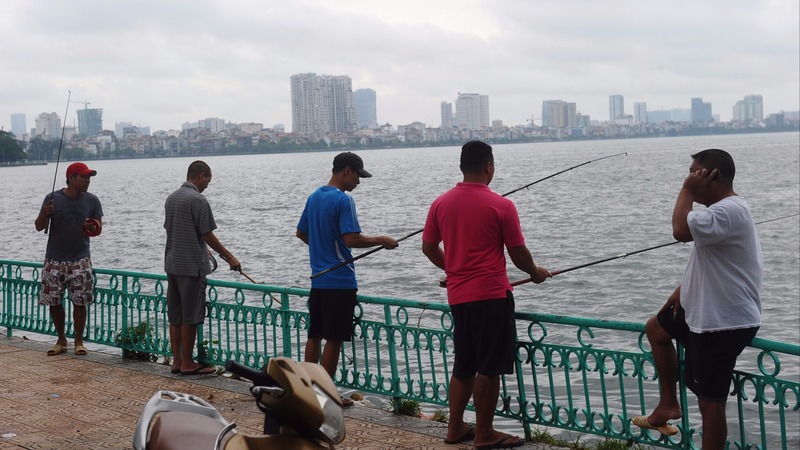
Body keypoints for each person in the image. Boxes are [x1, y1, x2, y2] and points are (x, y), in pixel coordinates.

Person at [421, 140, 551, 449]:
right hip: (491, 297)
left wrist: (454, 269)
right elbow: (518, 253)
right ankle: (484, 433)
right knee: (490, 367)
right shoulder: (501, 205)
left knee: (464, 365)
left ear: (462, 167)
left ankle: (455, 428)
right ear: (489, 167)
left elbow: (428, 247)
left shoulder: (441, 203)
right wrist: (535, 272)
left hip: (459, 297)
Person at [632, 149, 762, 450]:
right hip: (702, 311)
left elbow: (680, 230)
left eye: (694, 172)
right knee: (657, 328)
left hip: (723, 322)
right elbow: (716, 261)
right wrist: (683, 290)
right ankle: (668, 404)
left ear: (712, 175)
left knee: (710, 403)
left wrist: (687, 190)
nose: (688, 177)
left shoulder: (727, 210)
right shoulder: (721, 212)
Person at [296, 152, 398, 396]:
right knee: (334, 338)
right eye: (358, 176)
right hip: (340, 280)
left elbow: (301, 233)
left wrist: (321, 248)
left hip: (318, 278)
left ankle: (307, 391)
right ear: (347, 171)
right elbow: (351, 239)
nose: (358, 182)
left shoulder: (314, 196)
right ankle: (325, 394)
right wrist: (382, 240)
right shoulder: (343, 200)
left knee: (315, 335)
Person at [164, 160, 241, 375]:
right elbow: (207, 234)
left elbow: (177, 230)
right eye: (208, 180)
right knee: (191, 317)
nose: (208, 185)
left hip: (172, 264)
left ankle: (177, 361)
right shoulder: (198, 200)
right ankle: (188, 363)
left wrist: (202, 247)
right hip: (191, 267)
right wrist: (230, 257)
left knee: (175, 317)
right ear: (201, 176)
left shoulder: (172, 198)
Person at [35, 162, 103, 357]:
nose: (87, 180)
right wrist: (45, 213)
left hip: (81, 259)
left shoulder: (92, 201)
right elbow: (39, 226)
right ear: (71, 178)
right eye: (83, 177)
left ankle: (79, 342)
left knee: (80, 302)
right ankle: (61, 339)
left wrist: (92, 227)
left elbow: (98, 227)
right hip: (54, 259)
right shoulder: (52, 198)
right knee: (54, 302)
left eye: (89, 177)